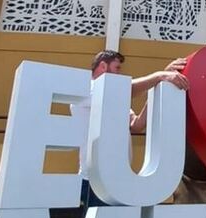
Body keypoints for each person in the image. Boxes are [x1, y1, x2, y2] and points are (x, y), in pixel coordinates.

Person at [75, 50, 189, 208]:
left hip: (120, 182)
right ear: (102, 66)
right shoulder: (86, 89)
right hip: (94, 183)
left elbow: (136, 124)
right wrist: (160, 75)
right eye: (117, 68)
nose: (120, 73)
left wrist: (156, 89)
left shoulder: (115, 99)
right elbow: (126, 90)